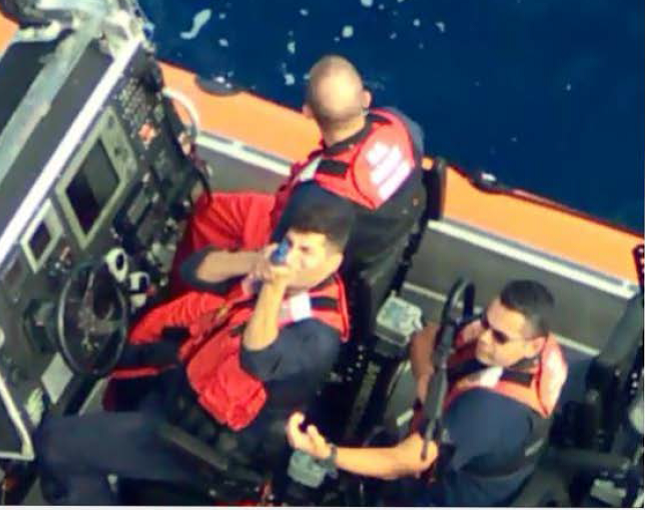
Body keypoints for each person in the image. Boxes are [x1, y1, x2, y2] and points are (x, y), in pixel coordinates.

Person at [35, 198, 352, 505]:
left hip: (198, 450)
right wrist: (252, 261)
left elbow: (256, 358)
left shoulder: (318, 335)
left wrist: (273, 286)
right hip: (179, 399)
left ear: (333, 262)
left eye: (306, 251)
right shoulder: (275, 269)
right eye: (290, 244)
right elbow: (192, 271)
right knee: (124, 359)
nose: (290, 258)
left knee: (57, 444)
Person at [172, 54, 425, 338]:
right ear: (365, 99)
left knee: (208, 216)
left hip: (317, 257)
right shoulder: (399, 126)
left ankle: (180, 291)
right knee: (220, 210)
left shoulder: (317, 193)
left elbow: (280, 249)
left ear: (307, 112)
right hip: (377, 243)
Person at [285, 280, 568, 507]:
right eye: (485, 322)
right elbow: (426, 337)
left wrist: (328, 453)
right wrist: (425, 379)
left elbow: (406, 461)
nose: (484, 338)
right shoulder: (526, 346)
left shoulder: (487, 410)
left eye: (500, 337)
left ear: (533, 346)